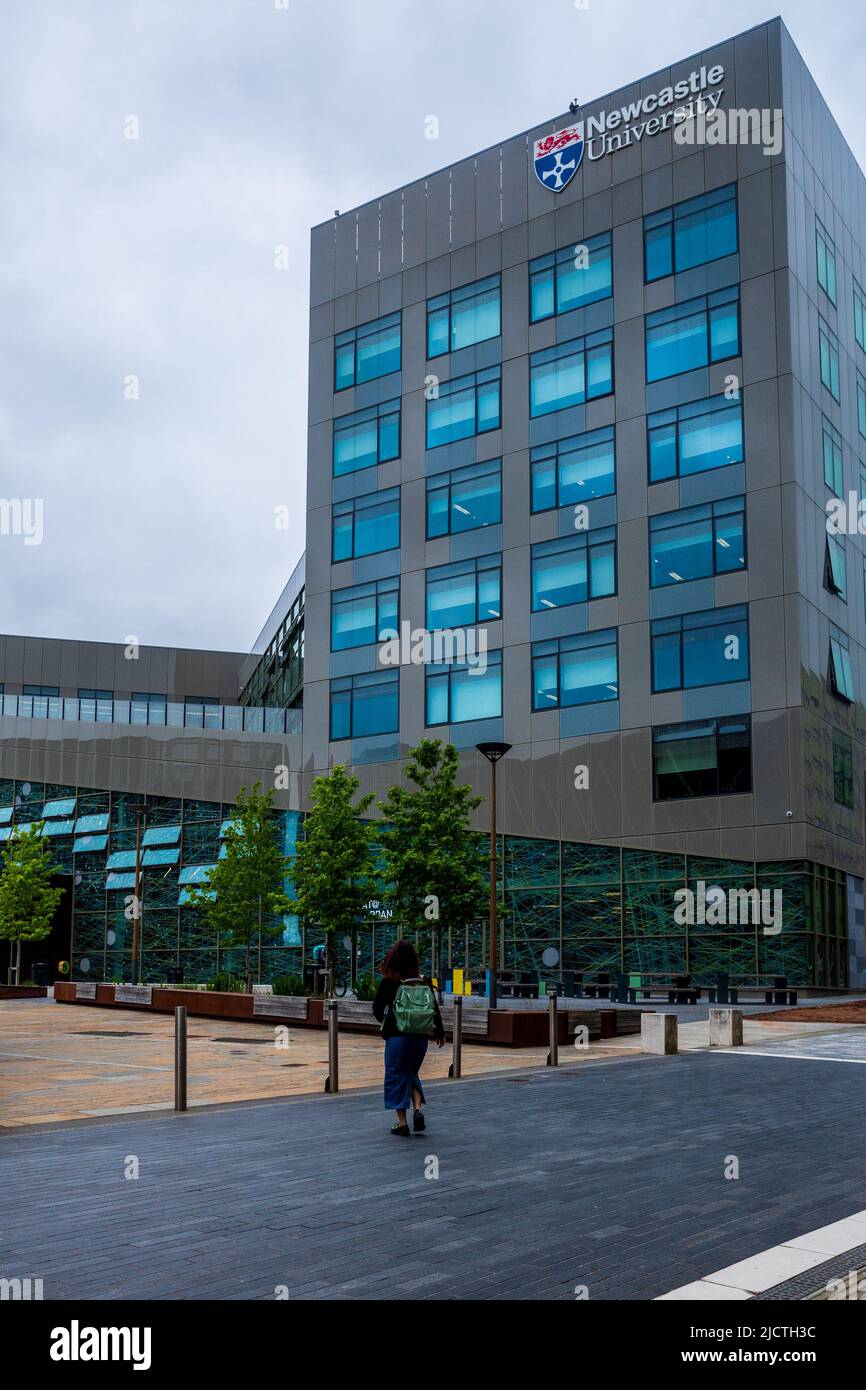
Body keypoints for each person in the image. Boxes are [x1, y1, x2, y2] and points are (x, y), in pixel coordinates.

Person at [372, 939, 444, 1137]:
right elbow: (434, 1009)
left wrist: (388, 1020)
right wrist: (440, 1032)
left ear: (393, 959)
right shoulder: (423, 981)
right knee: (411, 1073)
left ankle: (402, 1123)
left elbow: (377, 1009)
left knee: (396, 1076)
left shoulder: (389, 982)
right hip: (420, 1038)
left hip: (398, 1038)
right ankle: (417, 1109)